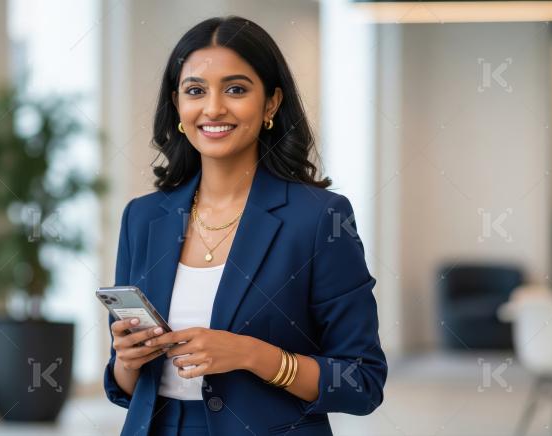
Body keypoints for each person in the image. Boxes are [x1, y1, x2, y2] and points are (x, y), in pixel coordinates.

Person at [103, 15, 387, 436]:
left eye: (235, 89)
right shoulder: (143, 217)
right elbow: (125, 388)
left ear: (271, 103)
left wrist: (252, 354)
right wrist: (128, 360)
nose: (213, 108)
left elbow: (362, 383)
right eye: (195, 90)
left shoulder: (319, 218)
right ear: (178, 105)